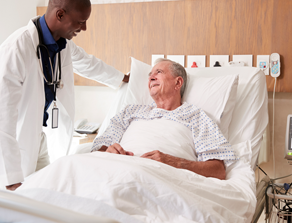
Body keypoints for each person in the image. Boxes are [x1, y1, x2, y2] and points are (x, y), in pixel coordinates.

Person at [0, 0, 128, 191]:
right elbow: (0, 120)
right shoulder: (16, 49)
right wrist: (11, 179)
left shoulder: (63, 44)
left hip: (39, 138)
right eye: (80, 22)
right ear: (60, 14)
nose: (84, 28)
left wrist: (123, 78)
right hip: (12, 145)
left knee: (48, 195)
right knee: (14, 208)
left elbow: (89, 64)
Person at [91, 59, 237, 180]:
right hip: (115, 172)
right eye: (150, 75)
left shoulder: (196, 116)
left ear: (178, 83)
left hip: (162, 178)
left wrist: (175, 162)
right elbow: (99, 150)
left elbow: (218, 171)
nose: (151, 78)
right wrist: (108, 153)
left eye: (158, 72)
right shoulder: (130, 112)